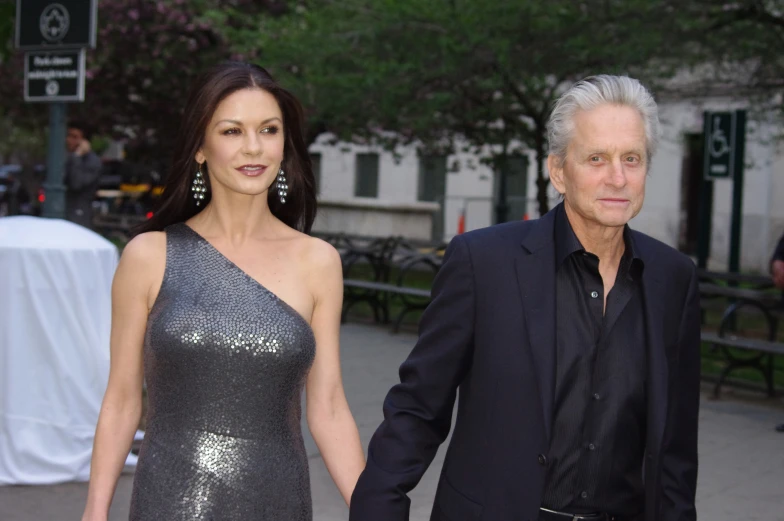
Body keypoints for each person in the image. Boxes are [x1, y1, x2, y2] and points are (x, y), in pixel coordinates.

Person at [350, 75, 701, 521]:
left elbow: (675, 451)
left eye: (631, 158)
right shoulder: (484, 262)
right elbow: (418, 408)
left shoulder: (674, 279)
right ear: (559, 171)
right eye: (596, 158)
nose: (618, 177)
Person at [81, 62, 365, 521]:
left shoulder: (318, 262)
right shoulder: (149, 256)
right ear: (200, 146)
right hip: (167, 502)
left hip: (277, 500)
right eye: (232, 131)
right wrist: (94, 511)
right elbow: (121, 400)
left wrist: (372, 509)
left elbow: (329, 407)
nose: (254, 147)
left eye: (269, 130)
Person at [65, 121, 103, 229]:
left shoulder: (92, 162)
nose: (69, 140)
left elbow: (76, 183)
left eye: (74, 137)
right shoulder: (70, 157)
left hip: (79, 215)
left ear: (84, 142)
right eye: (68, 136)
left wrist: (77, 156)